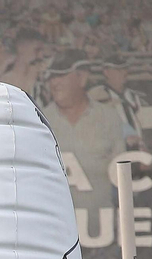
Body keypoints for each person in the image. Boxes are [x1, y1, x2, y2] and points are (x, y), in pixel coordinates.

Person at [41, 51, 130, 217]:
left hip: (101, 228)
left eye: (61, 76)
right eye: (52, 78)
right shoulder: (39, 121)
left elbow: (121, 178)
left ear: (82, 78)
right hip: (56, 230)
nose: (55, 83)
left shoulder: (108, 117)